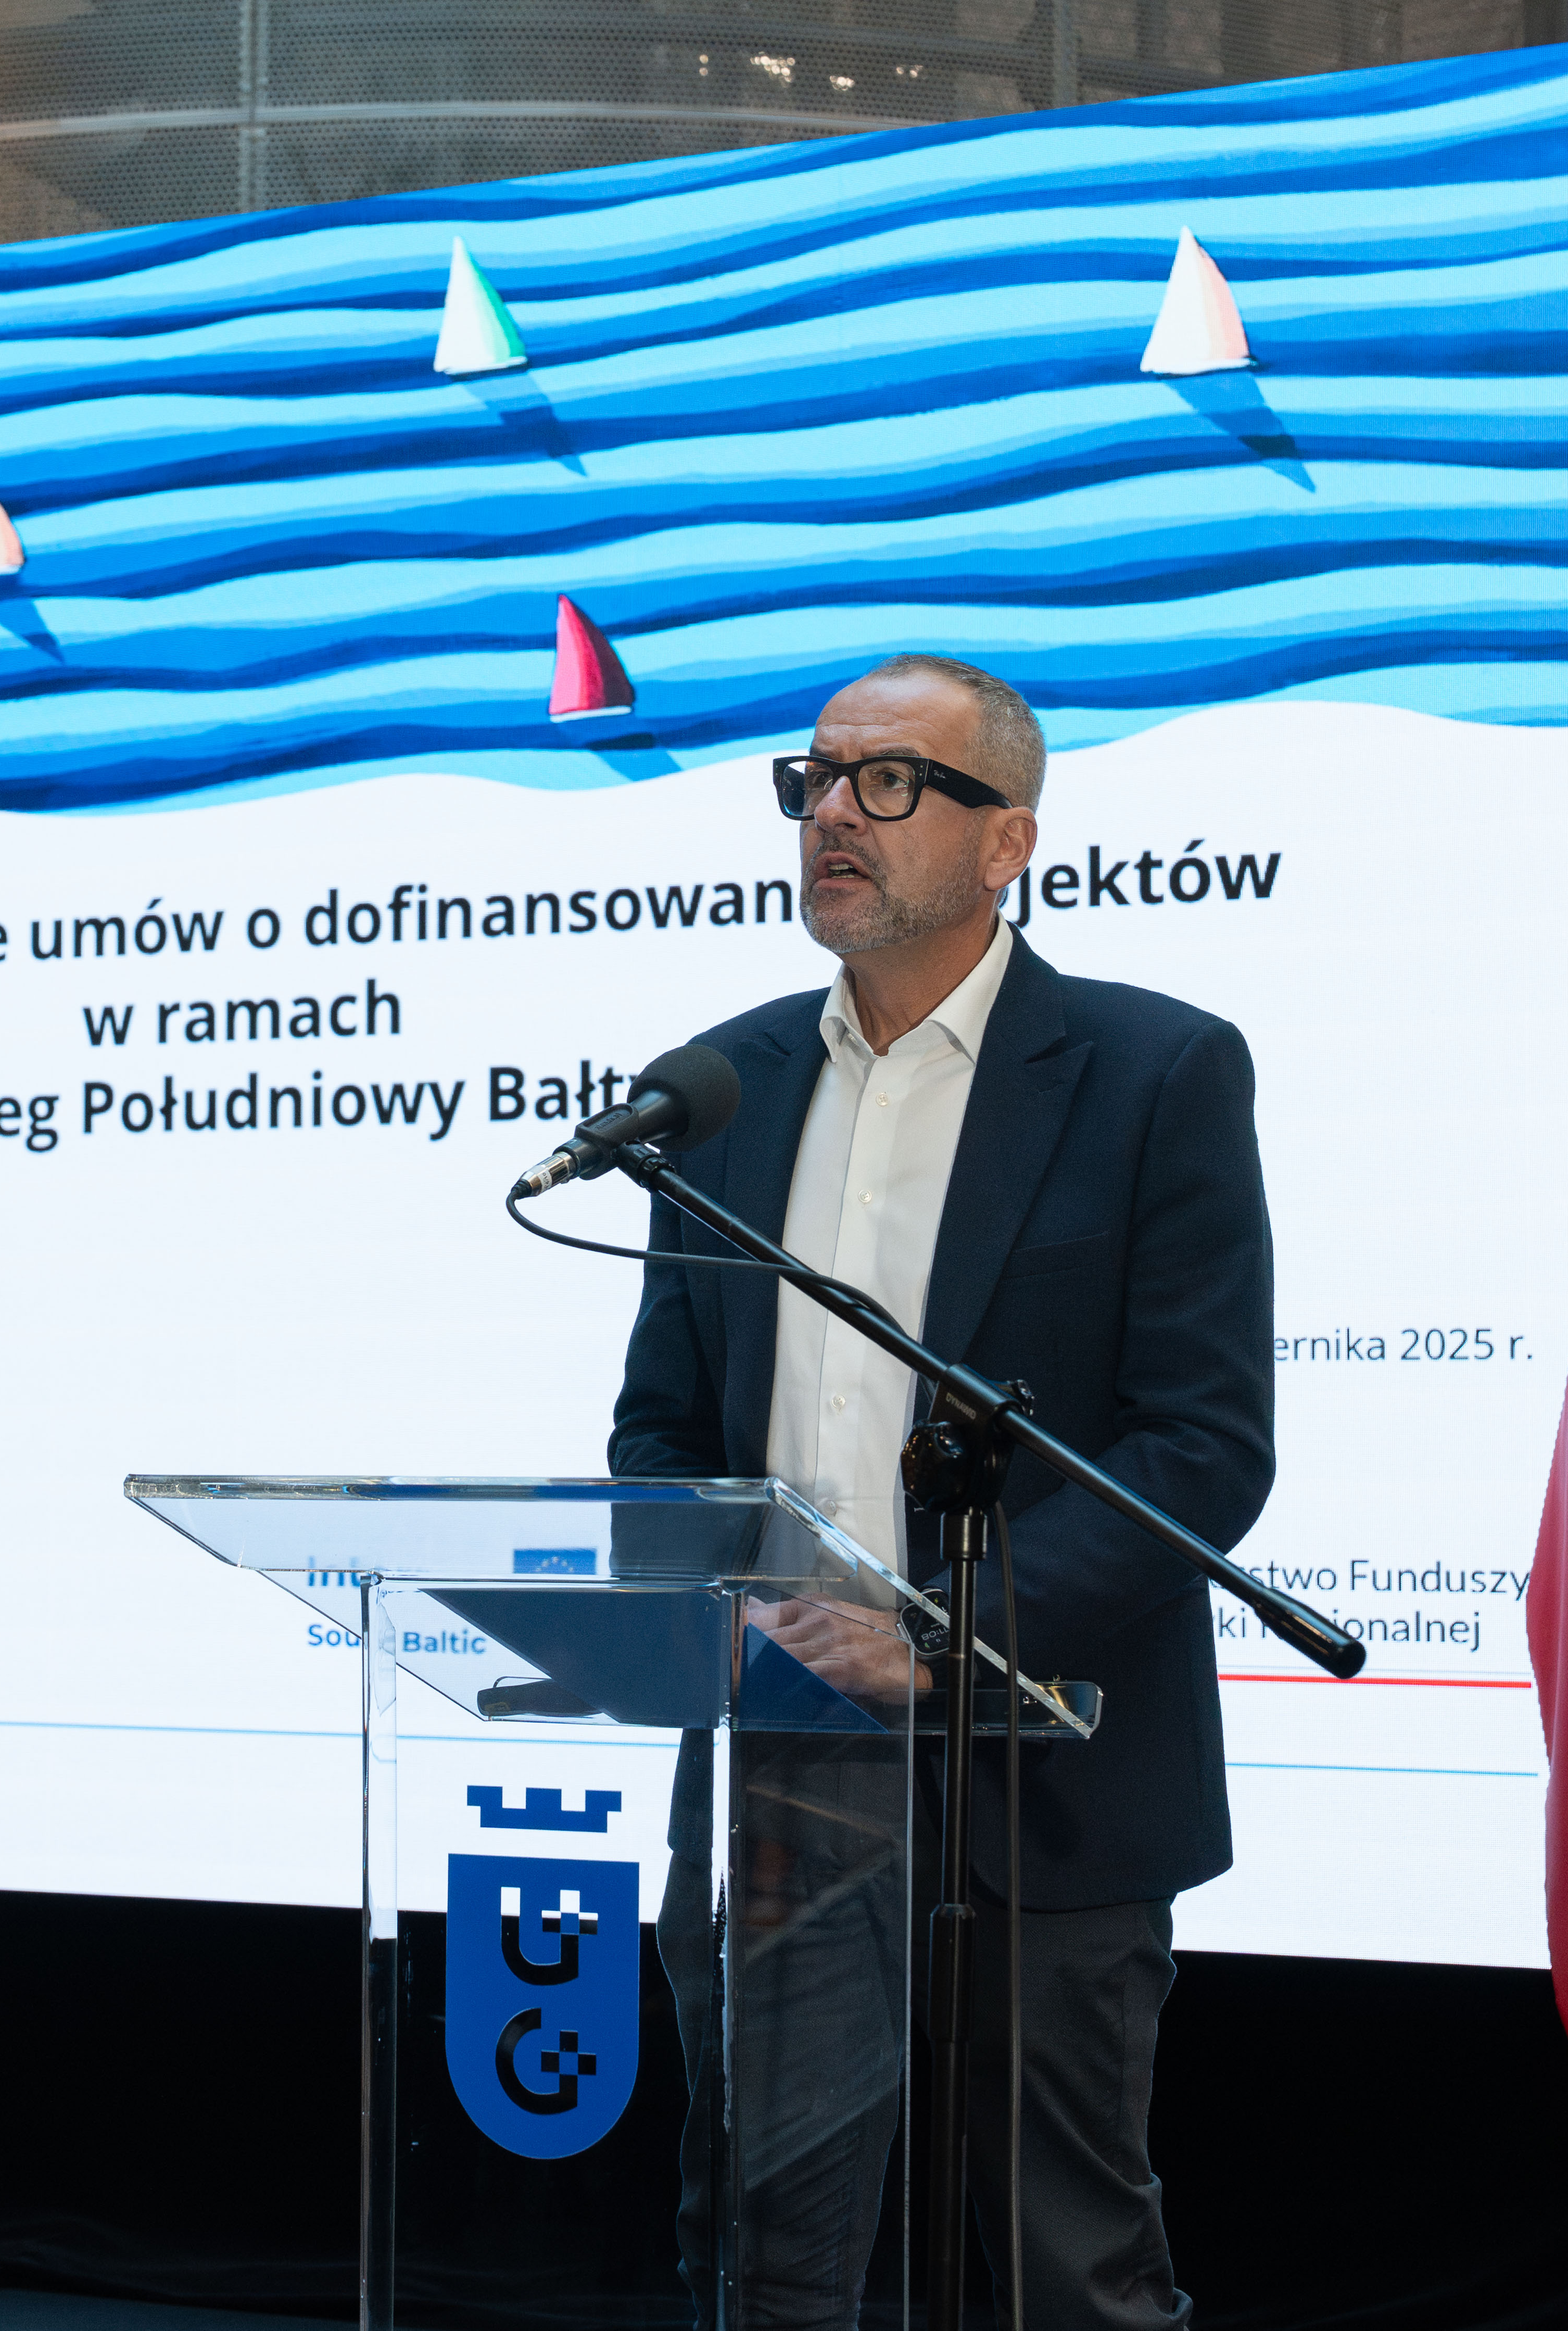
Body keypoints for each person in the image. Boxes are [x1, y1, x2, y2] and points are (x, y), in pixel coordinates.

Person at [611, 654, 1275, 2331]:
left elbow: (1201, 1446)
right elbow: (661, 1431)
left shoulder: (1152, 1072)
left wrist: (939, 1637)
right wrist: (718, 1602)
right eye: (817, 779)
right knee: (765, 2257)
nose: (834, 812)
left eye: (889, 780)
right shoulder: (721, 1090)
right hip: (779, 1764)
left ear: (1007, 841)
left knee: (1064, 2265)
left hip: (1044, 1763)